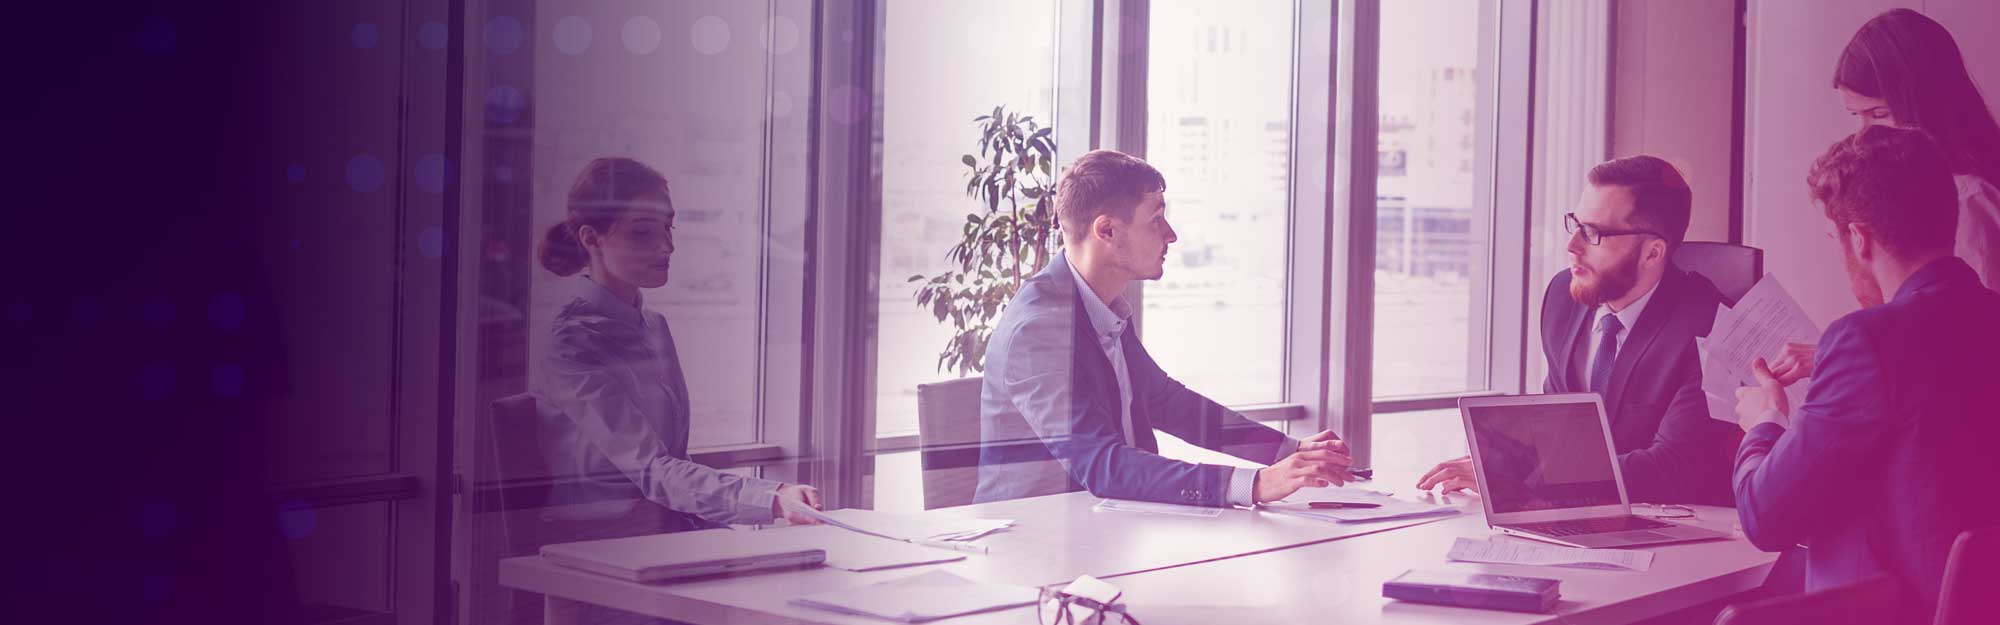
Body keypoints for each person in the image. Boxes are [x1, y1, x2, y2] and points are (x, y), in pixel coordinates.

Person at [974, 149, 1353, 507]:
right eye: (1156, 219)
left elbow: (1164, 402)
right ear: (1106, 231)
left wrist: (1288, 452)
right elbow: (1101, 464)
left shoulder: (1100, 307)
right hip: (1035, 544)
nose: (1170, 234)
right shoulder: (1036, 329)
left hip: (1102, 527)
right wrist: (1256, 484)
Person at [1732, 126, 2000, 622]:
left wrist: (1765, 420)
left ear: (1859, 239)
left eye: (1836, 239)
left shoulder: (1865, 340)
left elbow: (1763, 516)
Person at [1416, 156, 1742, 505]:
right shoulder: (1563, 297)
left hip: (1685, 530)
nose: (1572, 246)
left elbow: (1671, 467)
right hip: (1579, 516)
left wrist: (1523, 481)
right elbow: (1562, 428)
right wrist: (1496, 464)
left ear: (1652, 253)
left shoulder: (1714, 330)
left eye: (1594, 233)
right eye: (1575, 224)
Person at [535, 157, 821, 536]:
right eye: (643, 233)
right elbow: (651, 468)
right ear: (591, 239)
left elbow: (672, 464)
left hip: (665, 524)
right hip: (604, 539)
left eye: (669, 228)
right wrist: (771, 498)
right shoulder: (569, 342)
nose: (667, 246)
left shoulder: (654, 326)